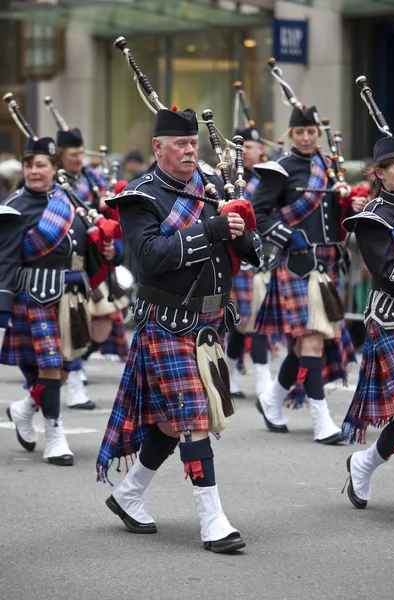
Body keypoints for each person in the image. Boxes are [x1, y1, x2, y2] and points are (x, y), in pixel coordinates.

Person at [97, 107, 261, 553]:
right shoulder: (139, 197)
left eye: (194, 144)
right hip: (167, 321)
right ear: (158, 147)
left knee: (172, 423)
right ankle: (213, 520)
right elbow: (149, 256)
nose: (190, 151)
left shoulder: (209, 184)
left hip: (209, 323)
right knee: (194, 418)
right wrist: (211, 228)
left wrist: (242, 232)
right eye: (180, 145)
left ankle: (129, 493)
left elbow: (252, 249)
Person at [252, 105, 361, 444]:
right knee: (312, 339)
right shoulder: (279, 170)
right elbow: (258, 214)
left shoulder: (329, 168)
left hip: (328, 263)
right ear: (290, 134)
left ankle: (271, 400)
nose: (305, 137)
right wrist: (287, 236)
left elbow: (334, 214)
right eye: (299, 132)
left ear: (317, 134)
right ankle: (321, 420)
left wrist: (351, 206)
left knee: (304, 344)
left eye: (311, 132)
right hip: (297, 264)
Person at [0, 136, 92, 465]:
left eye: (41, 165)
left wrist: (110, 249)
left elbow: (82, 247)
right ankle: (55, 434)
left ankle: (23, 409)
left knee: (65, 370)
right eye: (29, 165)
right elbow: (6, 261)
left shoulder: (67, 200)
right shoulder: (13, 208)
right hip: (35, 297)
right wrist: (3, 309)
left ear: (55, 168)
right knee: (51, 366)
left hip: (72, 296)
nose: (34, 171)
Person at [341, 136, 394, 510]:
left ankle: (364, 462)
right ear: (380, 174)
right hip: (393, 319)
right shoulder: (371, 219)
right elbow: (389, 274)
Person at [56, 128, 128, 407]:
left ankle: (74, 364)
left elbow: (111, 216)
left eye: (80, 153)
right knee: (73, 325)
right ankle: (73, 380)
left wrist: (114, 248)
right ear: (60, 156)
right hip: (68, 264)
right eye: (73, 155)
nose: (79, 159)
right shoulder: (56, 183)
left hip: (95, 261)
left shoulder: (92, 178)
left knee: (102, 326)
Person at [225, 125, 272, 401]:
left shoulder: (264, 179)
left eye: (257, 147)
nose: (259, 151)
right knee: (249, 323)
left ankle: (228, 377)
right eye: (252, 147)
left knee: (248, 323)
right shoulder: (229, 179)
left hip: (262, 256)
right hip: (240, 259)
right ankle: (264, 380)